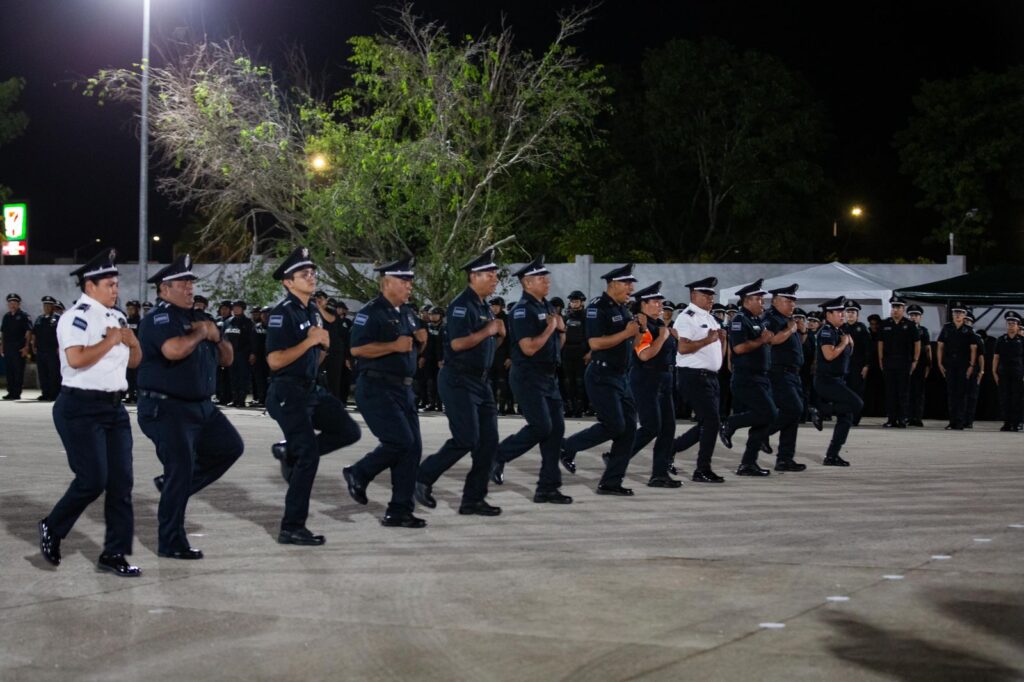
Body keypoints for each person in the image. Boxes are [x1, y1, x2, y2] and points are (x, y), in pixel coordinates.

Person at [37, 249, 143, 577]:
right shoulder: (76, 317)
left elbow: (135, 362)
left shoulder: (119, 318)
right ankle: (53, 526)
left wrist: (132, 342)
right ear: (90, 286)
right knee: (92, 479)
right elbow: (76, 360)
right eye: (109, 284)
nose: (116, 290)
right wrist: (111, 342)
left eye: (116, 284)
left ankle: (114, 554)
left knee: (122, 483)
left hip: (114, 409)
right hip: (80, 408)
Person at [136, 254, 245, 559]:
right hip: (166, 409)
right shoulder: (160, 319)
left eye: (190, 282)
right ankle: (170, 542)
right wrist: (201, 333)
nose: (188, 288)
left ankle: (171, 484)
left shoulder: (198, 318)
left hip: (200, 407)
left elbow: (227, 359)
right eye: (181, 283)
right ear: (163, 290)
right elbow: (173, 350)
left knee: (230, 447)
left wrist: (216, 335)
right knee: (180, 469)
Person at [265, 247, 362, 545]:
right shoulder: (282, 314)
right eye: (303, 274)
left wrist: (319, 349)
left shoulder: (311, 310)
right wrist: (309, 342)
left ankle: (288, 451)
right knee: (308, 455)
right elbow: (275, 361)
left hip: (310, 388)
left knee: (348, 430)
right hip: (287, 391)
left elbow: (314, 355)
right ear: (288, 282)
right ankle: (291, 527)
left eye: (312, 272)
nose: (311, 277)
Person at [416, 248, 504, 516]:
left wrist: (497, 335)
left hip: (482, 382)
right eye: (490, 274)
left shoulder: (484, 306)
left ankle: (473, 499)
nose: (495, 279)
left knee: (488, 444)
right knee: (467, 438)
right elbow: (456, 344)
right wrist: (489, 329)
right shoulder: (461, 305)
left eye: (495, 275)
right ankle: (421, 477)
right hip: (459, 379)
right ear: (474, 276)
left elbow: (488, 343)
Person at [344, 255, 429, 528]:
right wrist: (394, 346)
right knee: (400, 441)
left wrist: (420, 343)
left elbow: (409, 346)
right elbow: (357, 350)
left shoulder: (406, 312)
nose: (410, 286)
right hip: (376, 386)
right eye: (405, 281)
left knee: (412, 449)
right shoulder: (371, 312)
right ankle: (358, 472)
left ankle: (399, 511)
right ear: (387, 283)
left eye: (410, 281)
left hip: (403, 388)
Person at [490, 255, 572, 504]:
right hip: (528, 376)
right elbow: (528, 348)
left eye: (546, 277)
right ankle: (498, 455)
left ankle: (547, 487)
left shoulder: (545, 306)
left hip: (549, 377)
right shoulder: (522, 310)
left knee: (556, 430)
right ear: (527, 283)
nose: (547, 281)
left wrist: (561, 330)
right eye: (541, 278)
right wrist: (550, 328)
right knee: (541, 427)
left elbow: (558, 344)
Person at [561, 263, 643, 495]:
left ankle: (611, 482)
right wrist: (626, 333)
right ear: (613, 284)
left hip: (621, 377)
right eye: (627, 283)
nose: (631, 287)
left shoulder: (623, 309)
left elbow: (631, 344)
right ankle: (567, 446)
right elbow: (595, 343)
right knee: (615, 425)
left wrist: (637, 333)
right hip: (601, 374)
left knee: (628, 431)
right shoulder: (598, 308)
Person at [671, 278, 727, 482]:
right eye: (706, 295)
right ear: (693, 296)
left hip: (710, 377)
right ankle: (702, 469)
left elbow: (715, 351)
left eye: (712, 295)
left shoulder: (711, 318)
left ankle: (671, 449)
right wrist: (708, 340)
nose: (710, 299)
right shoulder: (687, 317)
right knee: (712, 421)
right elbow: (683, 347)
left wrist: (722, 341)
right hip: (693, 376)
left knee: (709, 422)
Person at [719, 279, 776, 477]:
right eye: (759, 299)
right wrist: (762, 340)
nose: (763, 303)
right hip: (746, 377)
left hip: (760, 376)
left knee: (764, 420)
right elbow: (739, 348)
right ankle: (730, 423)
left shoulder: (756, 320)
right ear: (747, 300)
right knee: (769, 413)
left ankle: (748, 464)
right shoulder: (739, 320)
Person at [627, 282, 681, 487]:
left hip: (664, 379)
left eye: (660, 301)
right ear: (643, 304)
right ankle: (618, 455)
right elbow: (645, 354)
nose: (660, 305)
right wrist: (663, 337)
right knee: (651, 427)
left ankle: (659, 474)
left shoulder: (659, 326)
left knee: (668, 428)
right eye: (655, 302)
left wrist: (671, 336)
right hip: (646, 379)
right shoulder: (641, 325)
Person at [762, 284, 808, 472]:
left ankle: (785, 459)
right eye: (788, 301)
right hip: (778, 372)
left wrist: (801, 331)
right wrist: (790, 330)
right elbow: (771, 340)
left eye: (793, 301)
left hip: (793, 372)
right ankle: (762, 434)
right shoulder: (771, 318)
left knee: (794, 415)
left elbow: (795, 344)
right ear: (775, 301)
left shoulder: (788, 319)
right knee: (793, 409)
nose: (792, 304)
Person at [814, 296, 863, 466]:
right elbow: (829, 355)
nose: (842, 315)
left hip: (839, 380)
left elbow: (847, 354)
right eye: (839, 312)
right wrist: (843, 344)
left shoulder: (840, 331)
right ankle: (821, 411)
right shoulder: (826, 331)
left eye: (843, 312)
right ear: (829, 314)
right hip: (826, 380)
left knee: (846, 417)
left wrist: (847, 342)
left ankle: (832, 455)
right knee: (857, 404)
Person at [877, 296, 920, 428]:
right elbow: (880, 343)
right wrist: (881, 360)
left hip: (904, 362)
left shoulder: (910, 325)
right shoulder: (885, 324)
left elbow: (917, 344)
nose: (895, 310)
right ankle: (891, 419)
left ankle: (902, 419)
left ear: (903, 309)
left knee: (903, 392)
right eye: (893, 307)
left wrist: (915, 360)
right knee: (890, 392)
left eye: (898, 307)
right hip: (889, 362)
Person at [937, 302, 977, 430]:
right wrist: (939, 362)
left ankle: (960, 421)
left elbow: (973, 349)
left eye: (960, 312)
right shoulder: (947, 328)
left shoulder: (969, 330)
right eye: (955, 312)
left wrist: (971, 365)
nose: (957, 315)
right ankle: (952, 421)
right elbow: (940, 346)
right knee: (951, 394)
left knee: (961, 394)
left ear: (965, 315)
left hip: (963, 365)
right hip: (950, 365)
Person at [842, 300, 871, 426]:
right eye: (848, 312)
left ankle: (855, 418)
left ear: (857, 314)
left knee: (856, 392)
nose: (850, 314)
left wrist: (867, 365)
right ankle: (845, 416)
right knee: (844, 392)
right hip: (843, 366)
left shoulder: (862, 328)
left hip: (857, 365)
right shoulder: (841, 328)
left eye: (853, 312)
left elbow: (868, 349)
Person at [993, 311, 1023, 431]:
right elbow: (996, 357)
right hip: (1003, 373)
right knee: (1005, 399)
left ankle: (1016, 423)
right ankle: (1007, 423)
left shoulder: (1022, 340)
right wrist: (994, 372)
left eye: (1013, 323)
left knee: (1017, 399)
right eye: (1009, 323)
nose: (1011, 325)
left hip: (1018, 373)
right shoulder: (1001, 339)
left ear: (1018, 325)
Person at [561, 290, 589, 418]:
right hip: (567, 352)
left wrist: (589, 352)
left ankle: (580, 408)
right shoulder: (566, 317)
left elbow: (591, 335)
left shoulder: (586, 317)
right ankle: (569, 408)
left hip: (581, 352)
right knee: (568, 381)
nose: (573, 304)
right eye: (572, 301)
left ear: (582, 302)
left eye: (576, 301)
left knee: (580, 381)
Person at [2, 293, 33, 400]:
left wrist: (26, 347)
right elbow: (3, 333)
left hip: (19, 348)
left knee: (18, 371)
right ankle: (10, 392)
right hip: (8, 348)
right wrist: (2, 346)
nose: (12, 305)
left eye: (14, 303)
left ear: (19, 304)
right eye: (10, 303)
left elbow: (28, 332)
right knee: (9, 371)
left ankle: (16, 392)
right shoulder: (6, 317)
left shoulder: (24, 316)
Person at [31, 295, 62, 401]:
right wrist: (33, 345)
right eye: (45, 305)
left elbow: (61, 334)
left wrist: (59, 347)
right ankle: (45, 393)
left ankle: (54, 394)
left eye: (49, 305)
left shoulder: (57, 318)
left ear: (53, 306)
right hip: (41, 350)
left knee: (53, 373)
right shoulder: (39, 319)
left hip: (52, 350)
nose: (46, 307)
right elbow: (35, 333)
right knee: (43, 373)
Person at [224, 300, 254, 408]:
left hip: (243, 353)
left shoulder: (248, 323)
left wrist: (252, 353)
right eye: (234, 307)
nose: (236, 309)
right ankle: (234, 398)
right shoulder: (228, 322)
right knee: (232, 377)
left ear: (243, 309)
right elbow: (223, 337)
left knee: (242, 377)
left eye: (238, 307)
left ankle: (241, 399)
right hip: (230, 354)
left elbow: (252, 339)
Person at [906, 304, 932, 426]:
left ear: (920, 317)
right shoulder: (904, 328)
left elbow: (927, 348)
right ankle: (908, 416)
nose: (913, 317)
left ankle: (917, 417)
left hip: (920, 364)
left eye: (916, 315)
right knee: (907, 391)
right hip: (906, 363)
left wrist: (929, 365)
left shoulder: (923, 331)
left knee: (919, 392)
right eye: (911, 315)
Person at [963, 313, 986, 428]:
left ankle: (969, 420)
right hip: (960, 368)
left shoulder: (976, 337)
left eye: (968, 321)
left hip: (974, 369)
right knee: (960, 395)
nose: (966, 322)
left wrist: (981, 371)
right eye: (965, 320)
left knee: (972, 395)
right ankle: (959, 419)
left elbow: (981, 356)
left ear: (972, 323)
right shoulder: (958, 335)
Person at [123, 300, 142, 403]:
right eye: (128, 309)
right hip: (127, 351)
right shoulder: (125, 322)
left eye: (132, 309)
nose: (130, 311)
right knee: (128, 374)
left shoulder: (141, 322)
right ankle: (130, 394)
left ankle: (137, 394)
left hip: (137, 350)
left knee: (136, 374)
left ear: (137, 310)